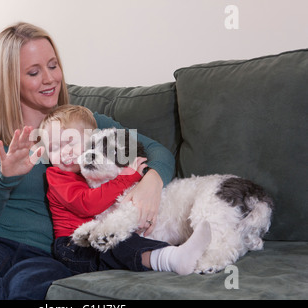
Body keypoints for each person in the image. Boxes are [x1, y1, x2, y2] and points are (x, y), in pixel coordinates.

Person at [0, 22, 176, 299]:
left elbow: (158, 151)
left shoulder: (85, 123)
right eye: (34, 72)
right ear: (10, 80)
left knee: (31, 290)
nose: (50, 79)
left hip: (48, 253)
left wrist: (152, 183)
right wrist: (4, 178)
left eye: (53, 65)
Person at [40, 105, 212, 275]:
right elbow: (88, 204)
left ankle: (183, 250)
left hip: (97, 236)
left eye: (70, 142)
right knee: (117, 243)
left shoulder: (95, 170)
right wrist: (128, 177)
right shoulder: (57, 177)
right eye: (54, 148)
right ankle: (169, 258)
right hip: (73, 247)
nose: (64, 153)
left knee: (122, 238)